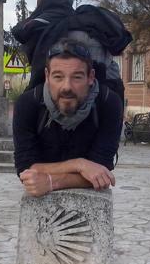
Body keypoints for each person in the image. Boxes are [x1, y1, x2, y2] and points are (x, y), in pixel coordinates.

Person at [12, 38, 123, 197]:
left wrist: (51, 181)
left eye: (77, 77)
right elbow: (26, 168)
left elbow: (101, 172)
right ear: (47, 76)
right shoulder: (28, 104)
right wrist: (80, 165)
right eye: (58, 77)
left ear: (90, 77)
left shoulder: (109, 103)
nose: (67, 87)